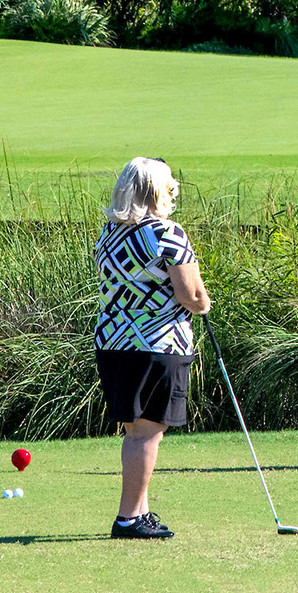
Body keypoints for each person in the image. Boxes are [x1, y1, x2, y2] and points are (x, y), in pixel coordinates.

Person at [94, 156, 210, 539]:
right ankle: (128, 518)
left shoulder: (108, 234)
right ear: (158, 191)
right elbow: (191, 294)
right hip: (156, 343)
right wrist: (204, 304)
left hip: (114, 343)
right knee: (145, 431)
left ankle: (140, 512)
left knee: (138, 430)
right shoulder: (167, 233)